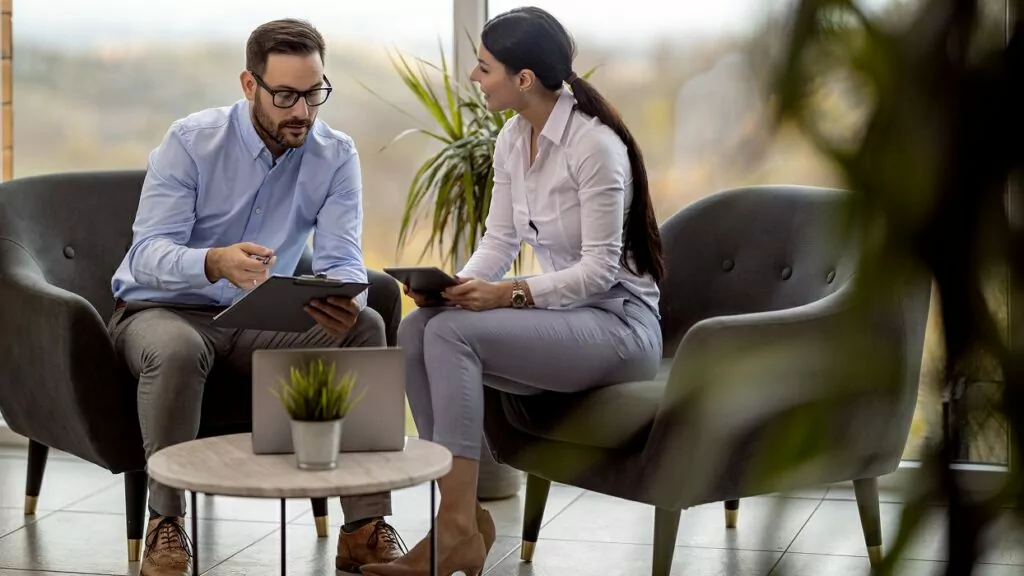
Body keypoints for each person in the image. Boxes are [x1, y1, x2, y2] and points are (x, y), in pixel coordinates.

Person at [360, 6, 666, 576]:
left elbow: (599, 272)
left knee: (449, 337)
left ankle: (454, 532)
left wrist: (509, 295)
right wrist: (459, 287)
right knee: (420, 325)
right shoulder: (512, 138)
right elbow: (498, 240)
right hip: (568, 321)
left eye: (484, 67)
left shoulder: (594, 147)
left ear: (523, 78)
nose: (474, 78)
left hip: (619, 327)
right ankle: (462, 519)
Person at [107, 18, 404, 576]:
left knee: (364, 328)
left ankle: (363, 528)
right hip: (159, 309)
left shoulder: (335, 154)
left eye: (314, 93)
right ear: (250, 85)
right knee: (174, 349)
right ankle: (164, 527)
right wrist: (211, 261)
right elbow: (145, 254)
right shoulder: (191, 142)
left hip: (254, 316)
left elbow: (342, 258)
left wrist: (343, 297)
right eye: (286, 95)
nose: (303, 112)